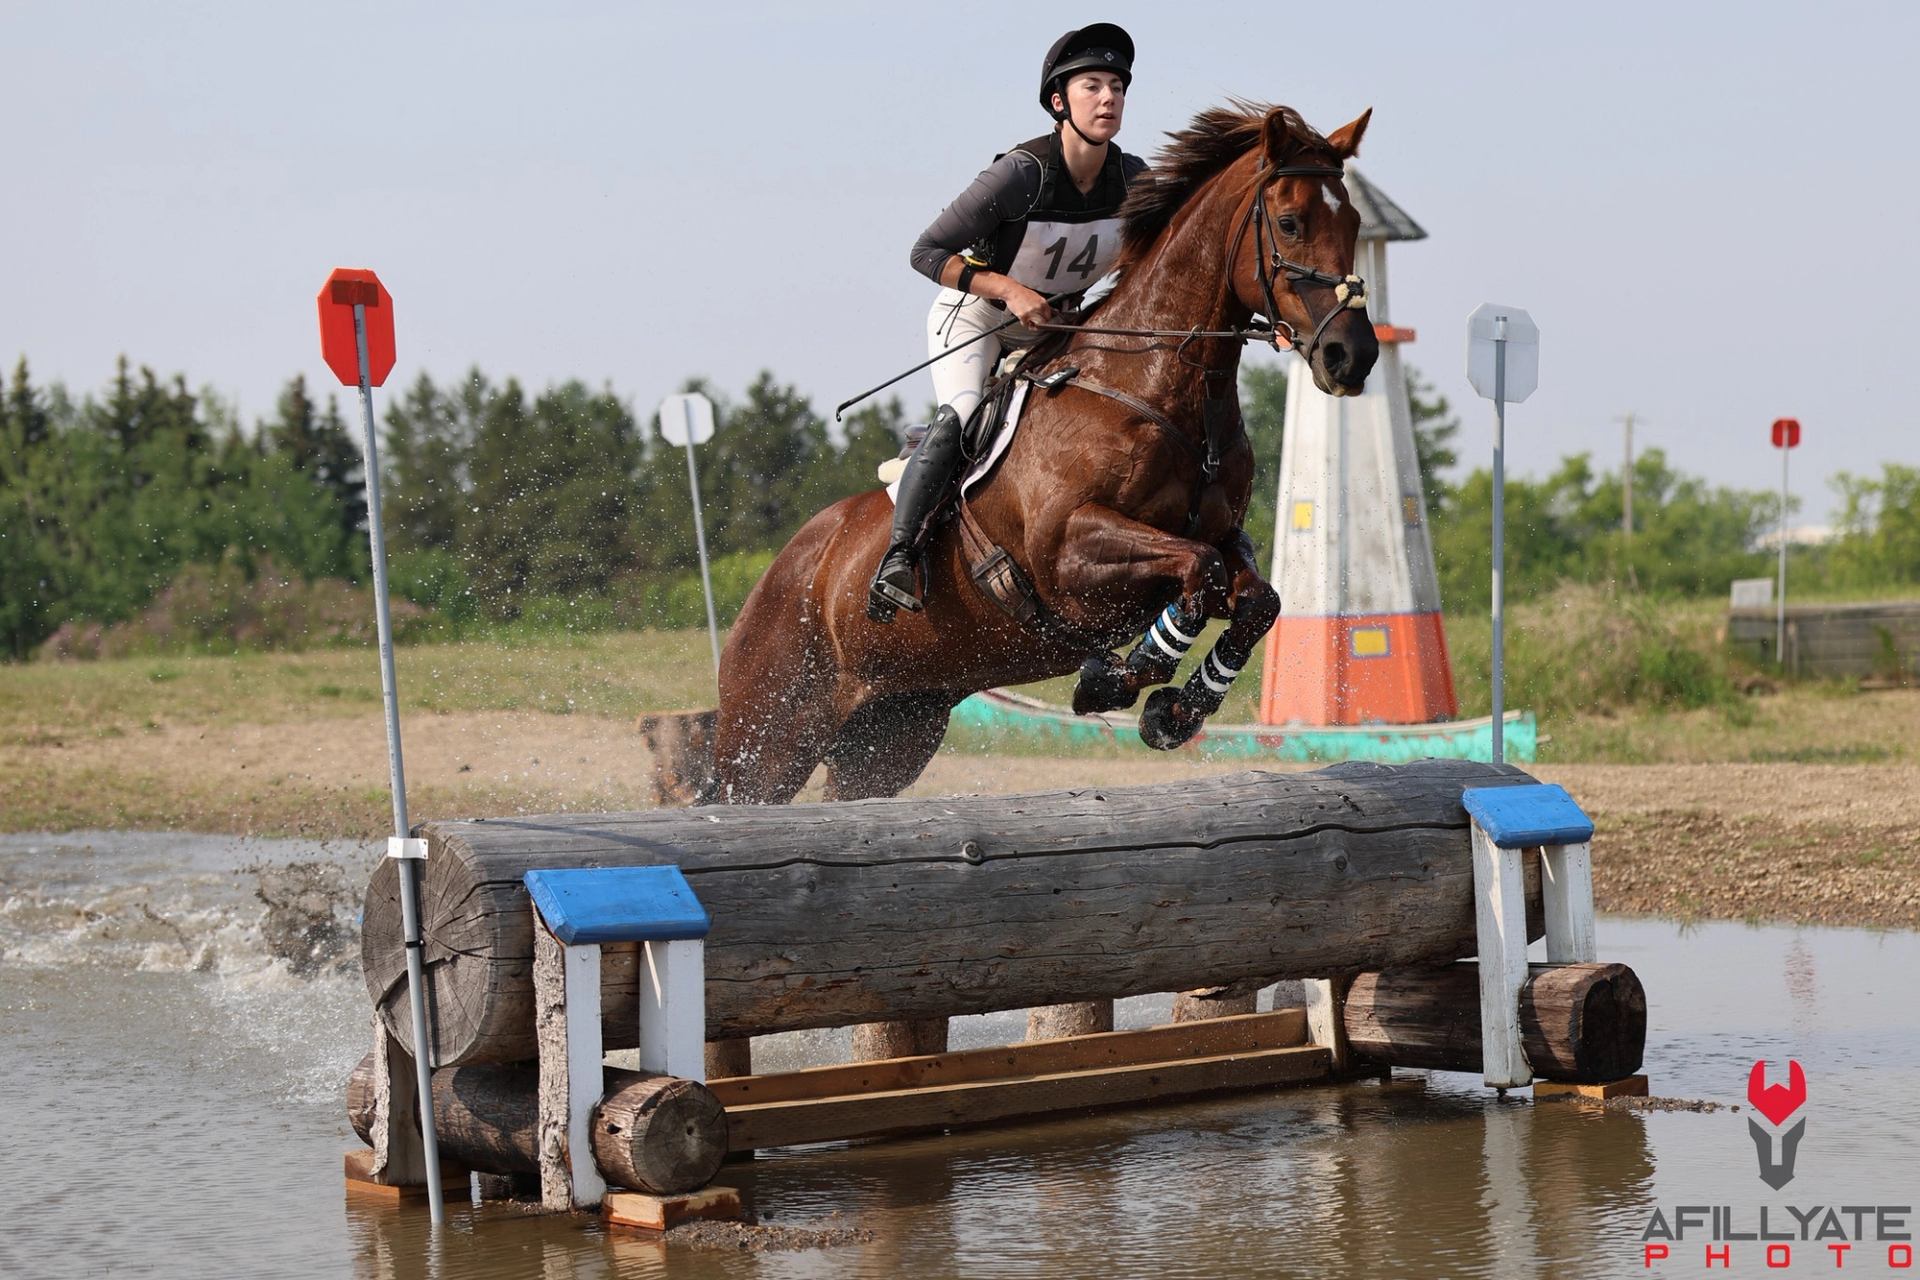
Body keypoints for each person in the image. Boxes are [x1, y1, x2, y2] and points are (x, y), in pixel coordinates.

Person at [868, 22, 1148, 622]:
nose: (1108, 98)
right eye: (1092, 86)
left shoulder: (1133, 180)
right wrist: (1009, 289)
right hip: (976, 318)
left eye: (1117, 87)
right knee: (963, 414)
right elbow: (925, 252)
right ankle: (898, 557)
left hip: (1058, 330)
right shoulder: (1020, 174)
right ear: (1059, 102)